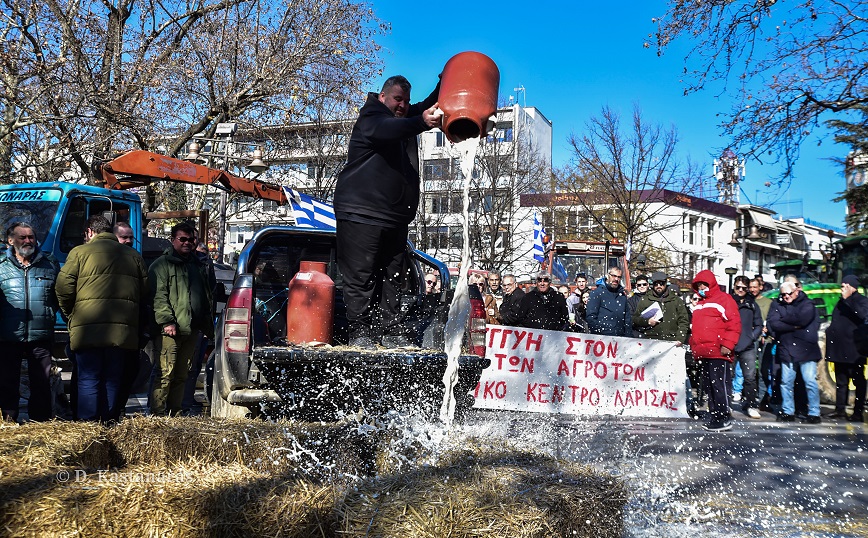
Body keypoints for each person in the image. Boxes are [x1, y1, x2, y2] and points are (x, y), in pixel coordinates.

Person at [333, 74, 441, 349]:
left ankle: (390, 328)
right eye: (397, 99)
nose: (403, 105)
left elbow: (425, 107)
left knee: (394, 276)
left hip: (393, 216)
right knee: (361, 275)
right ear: (383, 97)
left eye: (406, 100)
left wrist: (445, 83)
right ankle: (361, 332)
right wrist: (419, 123)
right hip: (361, 212)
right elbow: (391, 128)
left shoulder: (401, 117)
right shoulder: (372, 117)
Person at [55, 215, 148, 422]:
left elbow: (62, 288)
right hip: (122, 333)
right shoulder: (133, 256)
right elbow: (144, 293)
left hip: (87, 328)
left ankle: (88, 428)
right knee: (112, 380)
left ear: (89, 232)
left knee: (89, 379)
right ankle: (108, 424)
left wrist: (71, 313)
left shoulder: (79, 253)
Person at [148, 222, 214, 416]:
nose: (187, 243)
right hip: (170, 329)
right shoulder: (161, 265)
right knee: (165, 373)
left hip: (191, 329)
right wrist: (167, 321)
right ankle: (157, 414)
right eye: (182, 239)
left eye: (191, 239)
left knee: (182, 374)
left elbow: (205, 295)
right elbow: (158, 296)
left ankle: (174, 412)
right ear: (173, 240)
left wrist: (205, 324)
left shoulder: (198, 264)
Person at [0, 223, 60, 422]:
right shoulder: (1, 265)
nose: (28, 241)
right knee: (8, 382)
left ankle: (39, 423)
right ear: (10, 241)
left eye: (31, 237)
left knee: (42, 383)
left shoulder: (50, 263)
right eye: (22, 237)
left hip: (41, 334)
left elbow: (58, 297)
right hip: (9, 335)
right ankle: (8, 421)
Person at [689, 269, 741, 432]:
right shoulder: (700, 304)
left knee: (719, 385)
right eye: (699, 286)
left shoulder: (724, 299)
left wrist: (728, 344)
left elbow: (734, 324)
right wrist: (695, 347)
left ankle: (723, 415)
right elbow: (697, 329)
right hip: (705, 352)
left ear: (710, 284)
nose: (702, 288)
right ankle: (715, 414)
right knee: (709, 386)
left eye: (704, 285)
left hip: (719, 351)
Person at [766, 281, 822, 424]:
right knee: (786, 382)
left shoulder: (808, 304)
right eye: (783, 294)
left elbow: (802, 320)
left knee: (810, 382)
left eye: (788, 294)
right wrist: (794, 325)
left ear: (796, 291)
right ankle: (787, 411)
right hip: (786, 348)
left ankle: (814, 412)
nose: (785, 297)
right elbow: (773, 323)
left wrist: (783, 320)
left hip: (806, 349)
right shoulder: (776, 304)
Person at [824, 275, 868, 422]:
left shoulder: (861, 301)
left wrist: (849, 299)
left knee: (858, 381)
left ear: (851, 286)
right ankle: (840, 410)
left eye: (844, 286)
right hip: (839, 349)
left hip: (854, 350)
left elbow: (862, 316)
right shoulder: (841, 301)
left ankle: (857, 412)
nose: (842, 289)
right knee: (841, 381)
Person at [729, 275, 764, 419]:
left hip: (747, 345)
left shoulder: (752, 304)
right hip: (729, 345)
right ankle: (726, 405)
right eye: (738, 287)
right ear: (734, 287)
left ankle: (751, 405)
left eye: (744, 287)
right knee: (727, 377)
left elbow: (759, 324)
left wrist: (751, 337)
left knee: (750, 378)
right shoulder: (728, 302)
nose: (741, 290)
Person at [631, 271, 689, 345]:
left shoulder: (675, 300)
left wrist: (680, 338)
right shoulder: (645, 299)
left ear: (665, 283)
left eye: (661, 283)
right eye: (656, 283)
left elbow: (683, 320)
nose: (658, 286)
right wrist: (647, 321)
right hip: (651, 341)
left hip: (672, 341)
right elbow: (635, 319)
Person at [586, 267, 631, 337]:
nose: (616, 279)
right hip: (603, 338)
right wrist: (598, 334)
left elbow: (627, 318)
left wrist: (628, 336)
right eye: (614, 276)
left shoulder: (622, 295)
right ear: (608, 276)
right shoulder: (597, 293)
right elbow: (591, 317)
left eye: (619, 277)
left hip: (620, 338)